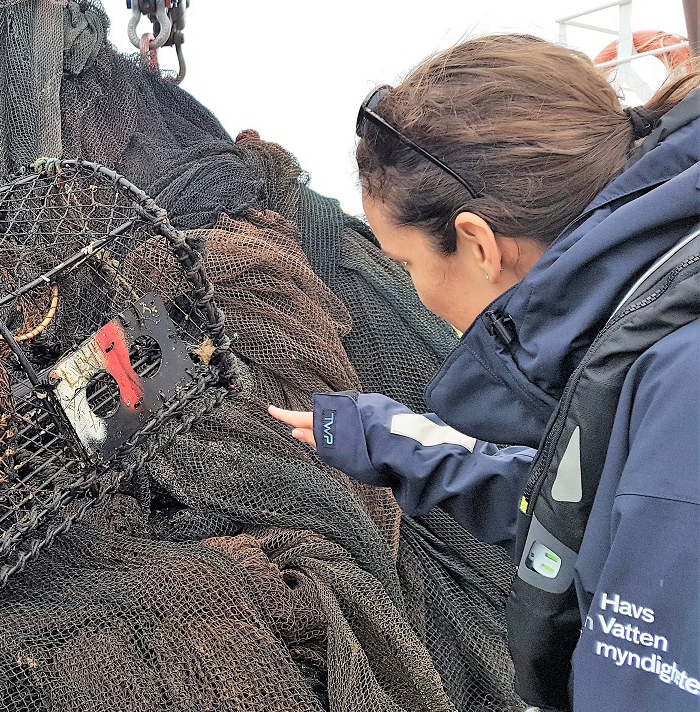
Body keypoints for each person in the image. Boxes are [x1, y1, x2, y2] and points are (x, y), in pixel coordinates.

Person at [269, 34, 700, 712]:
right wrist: (384, 439)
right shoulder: (656, 329)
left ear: (476, 243)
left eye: (406, 265)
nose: (411, 290)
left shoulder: (682, 385)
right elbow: (590, 511)